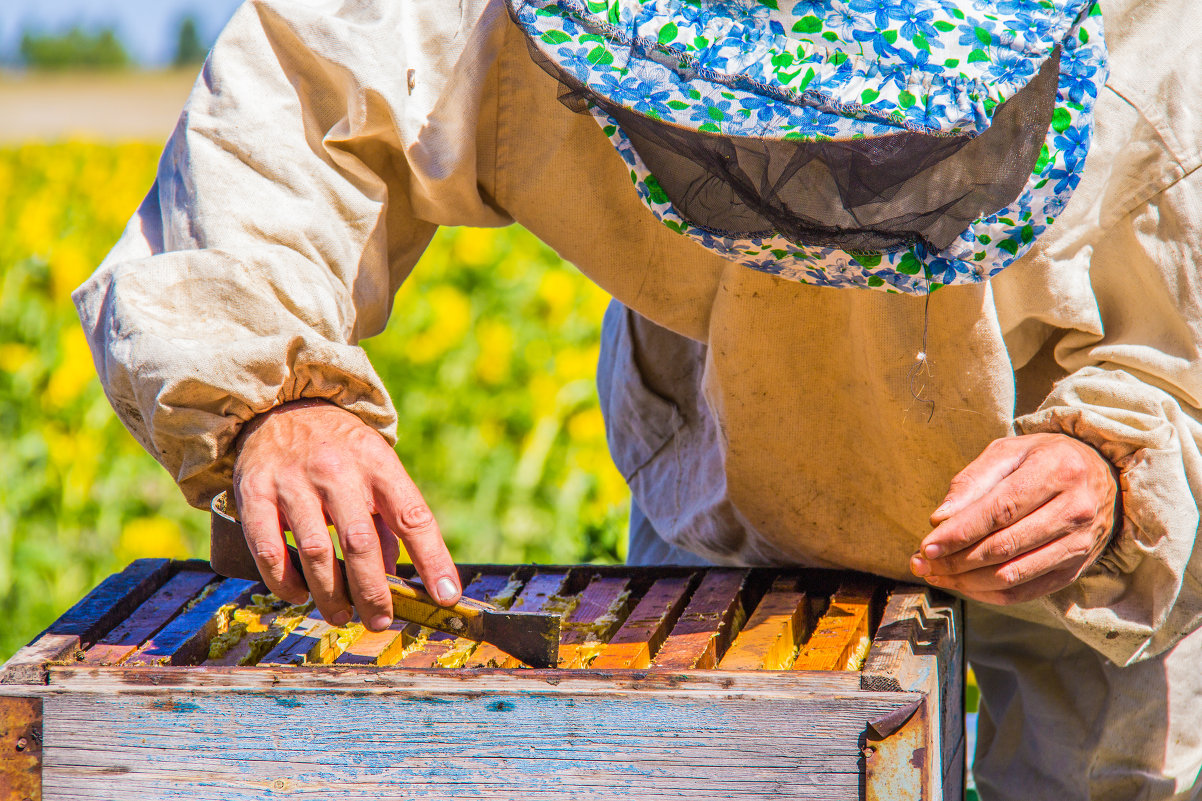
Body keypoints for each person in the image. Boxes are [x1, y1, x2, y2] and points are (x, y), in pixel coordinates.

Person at [73, 0, 1202, 798]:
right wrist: (272, 398)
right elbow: (302, 109)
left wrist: (1114, 464)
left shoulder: (1159, 38)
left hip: (1084, 570)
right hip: (723, 518)